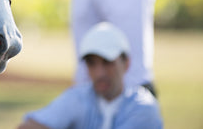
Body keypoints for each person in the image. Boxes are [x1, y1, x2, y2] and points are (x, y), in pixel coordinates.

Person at [16, 22, 163, 129]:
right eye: (91, 63)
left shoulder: (143, 108)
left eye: (107, 62)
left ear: (126, 63)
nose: (99, 73)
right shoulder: (79, 97)